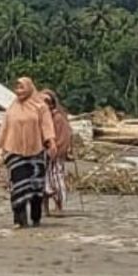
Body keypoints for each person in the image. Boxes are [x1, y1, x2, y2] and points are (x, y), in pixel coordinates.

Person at [0, 77, 57, 228]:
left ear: (30, 88)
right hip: (14, 152)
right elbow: (4, 131)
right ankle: (19, 219)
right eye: (17, 88)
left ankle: (36, 218)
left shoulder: (40, 107)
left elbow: (47, 126)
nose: (19, 91)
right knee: (18, 186)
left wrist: (51, 142)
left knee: (35, 187)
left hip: (36, 152)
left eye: (22, 88)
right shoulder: (11, 109)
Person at [40, 89, 74, 217]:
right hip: (43, 154)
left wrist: (54, 150)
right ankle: (45, 209)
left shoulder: (58, 118)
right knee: (44, 182)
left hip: (55, 155)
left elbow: (63, 138)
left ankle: (58, 206)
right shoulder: (43, 118)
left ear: (52, 104)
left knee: (55, 181)